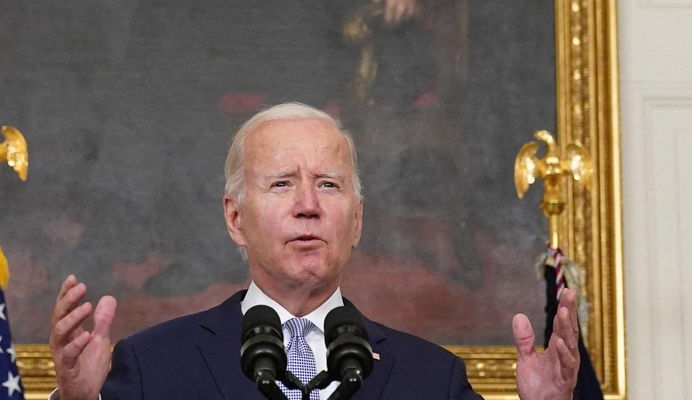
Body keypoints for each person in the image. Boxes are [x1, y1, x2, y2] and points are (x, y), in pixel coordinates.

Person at [48, 103, 581, 399]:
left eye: (328, 184)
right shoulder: (154, 366)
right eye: (282, 184)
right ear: (235, 218)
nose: (308, 205)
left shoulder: (431, 379)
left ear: (358, 220)